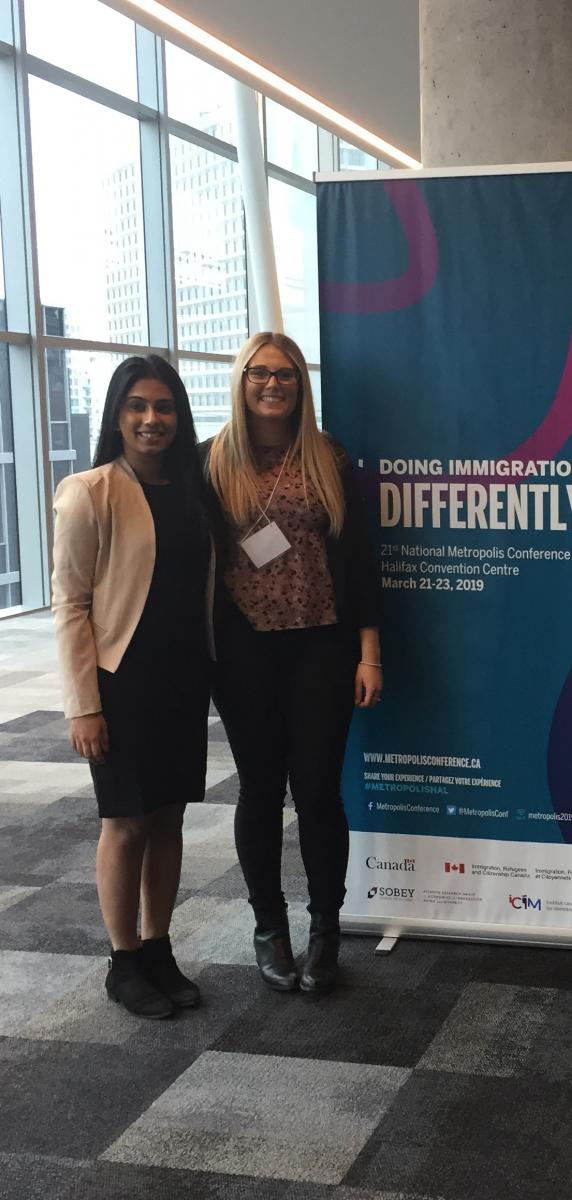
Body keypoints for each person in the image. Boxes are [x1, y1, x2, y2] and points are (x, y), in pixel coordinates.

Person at [204, 332, 381, 996]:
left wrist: (371, 653)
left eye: (285, 374)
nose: (272, 384)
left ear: (300, 385)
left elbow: (360, 560)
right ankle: (268, 929)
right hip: (243, 649)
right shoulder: (210, 461)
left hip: (323, 647)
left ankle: (324, 932)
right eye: (259, 373)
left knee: (317, 791)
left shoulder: (327, 455)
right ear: (240, 379)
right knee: (258, 789)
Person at [52, 356, 213, 1019]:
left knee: (169, 815)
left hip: (183, 678)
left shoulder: (195, 487)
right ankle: (122, 960)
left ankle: (157, 946)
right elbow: (70, 606)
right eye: (137, 407)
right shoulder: (88, 491)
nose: (152, 419)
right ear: (118, 416)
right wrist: (83, 704)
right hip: (121, 683)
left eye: (165, 407)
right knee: (124, 823)